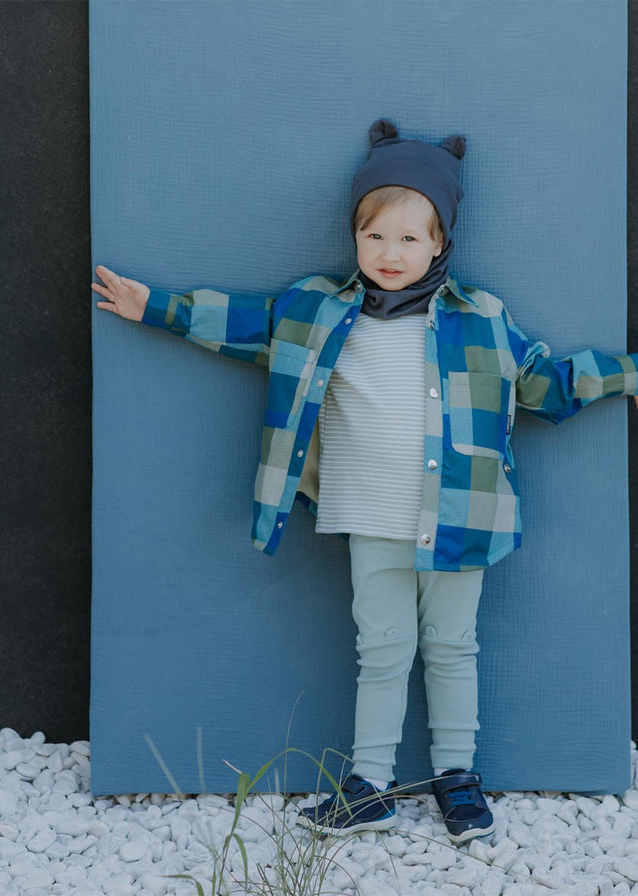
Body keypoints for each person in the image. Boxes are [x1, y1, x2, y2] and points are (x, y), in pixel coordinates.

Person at [92, 119, 638, 844]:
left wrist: (624, 374)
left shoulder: (481, 320)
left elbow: (545, 384)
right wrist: (152, 306)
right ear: (355, 238)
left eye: (410, 239)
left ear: (441, 243)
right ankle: (370, 784)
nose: (390, 253)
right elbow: (239, 321)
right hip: (369, 513)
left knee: (451, 645)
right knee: (380, 647)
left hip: (461, 516)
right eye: (375, 236)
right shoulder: (317, 310)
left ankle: (457, 778)